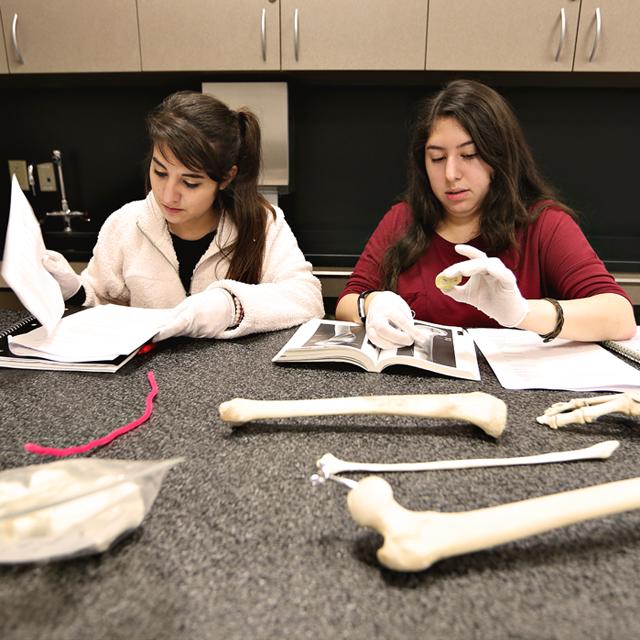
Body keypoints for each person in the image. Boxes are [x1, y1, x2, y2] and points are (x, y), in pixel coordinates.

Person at [336, 79, 636, 349]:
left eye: (469, 155)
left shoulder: (545, 224)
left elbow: (618, 316)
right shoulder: (402, 219)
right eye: (437, 158)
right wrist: (372, 303)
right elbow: (348, 301)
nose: (451, 174)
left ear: (499, 157)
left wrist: (522, 312)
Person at [43, 91, 324, 340]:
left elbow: (308, 298)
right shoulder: (125, 223)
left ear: (226, 178)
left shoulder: (262, 223)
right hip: (147, 382)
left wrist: (231, 306)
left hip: (237, 382)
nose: (168, 194)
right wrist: (76, 292)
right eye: (160, 172)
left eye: (190, 182)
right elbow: (101, 302)